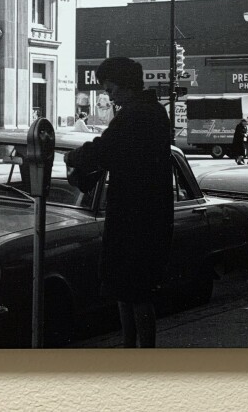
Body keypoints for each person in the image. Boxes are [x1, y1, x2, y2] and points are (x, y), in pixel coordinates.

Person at [64, 57, 173, 348]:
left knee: (132, 288)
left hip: (134, 214)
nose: (110, 96)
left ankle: (137, 350)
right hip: (145, 212)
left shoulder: (136, 115)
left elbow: (106, 148)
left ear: (125, 86)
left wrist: (72, 158)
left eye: (111, 89)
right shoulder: (153, 112)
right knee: (129, 289)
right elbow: (118, 155)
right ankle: (132, 348)